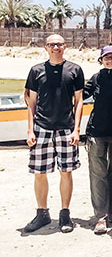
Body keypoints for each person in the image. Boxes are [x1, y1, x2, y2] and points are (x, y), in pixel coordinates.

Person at [24, 34, 84, 234]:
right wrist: (30, 129)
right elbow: (31, 102)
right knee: (40, 173)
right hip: (41, 128)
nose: (55, 47)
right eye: (52, 44)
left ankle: (65, 213)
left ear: (65, 47)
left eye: (59, 44)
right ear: (46, 47)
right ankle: (42, 213)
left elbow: (79, 102)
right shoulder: (36, 71)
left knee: (65, 172)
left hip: (66, 129)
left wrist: (76, 129)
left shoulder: (75, 70)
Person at [83, 45, 112, 234]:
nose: (110, 60)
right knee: (97, 174)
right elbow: (80, 95)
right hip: (96, 132)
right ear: (101, 60)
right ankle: (100, 216)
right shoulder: (96, 78)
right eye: (106, 57)